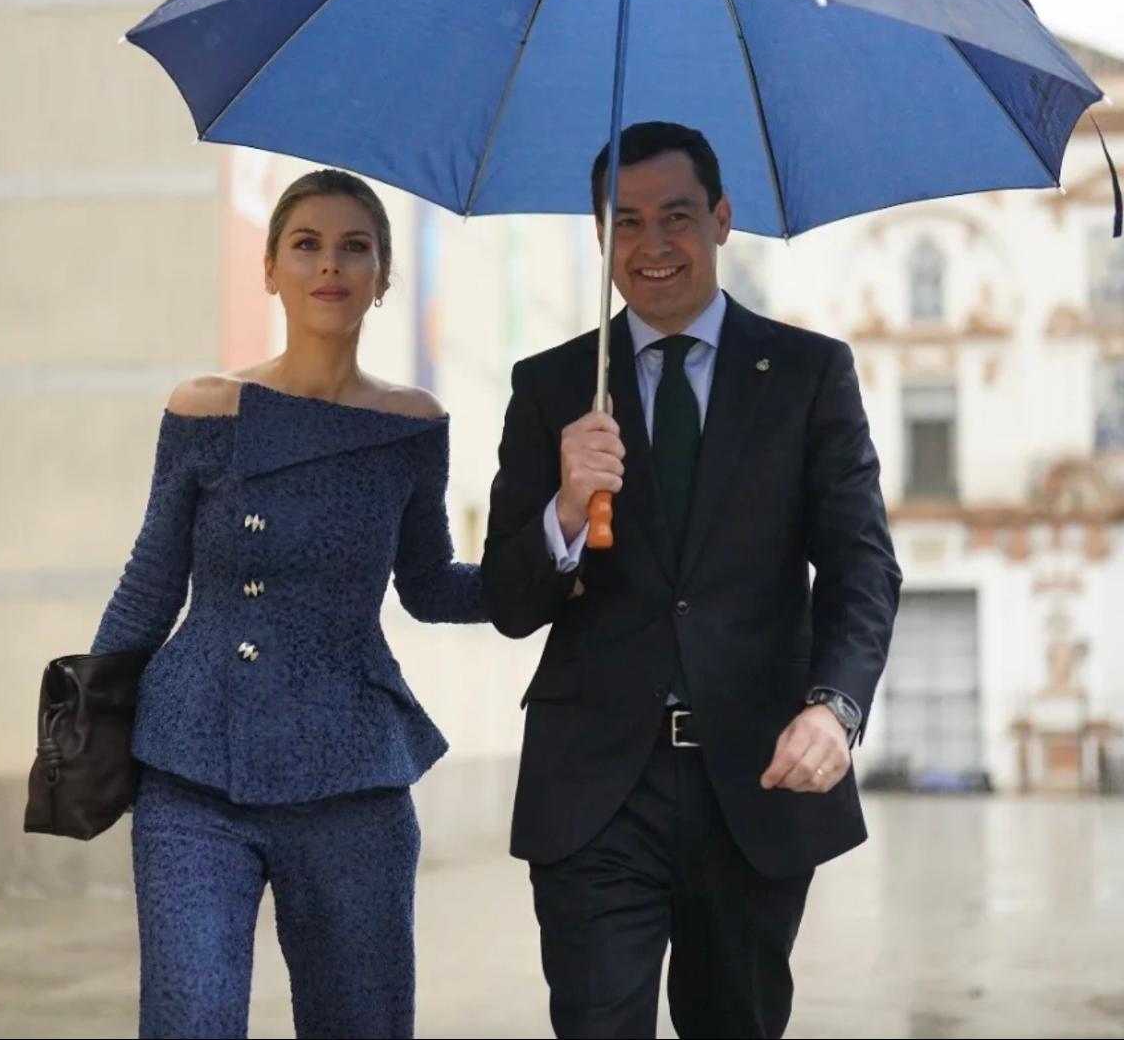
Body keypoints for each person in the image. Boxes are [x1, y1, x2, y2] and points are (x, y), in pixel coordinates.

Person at [483, 122, 902, 1039]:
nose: (652, 245)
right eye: (625, 222)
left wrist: (835, 707)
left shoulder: (807, 373)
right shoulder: (552, 386)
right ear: (600, 238)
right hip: (594, 792)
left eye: (676, 216)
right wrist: (563, 507)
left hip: (754, 780)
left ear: (721, 219)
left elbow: (862, 563)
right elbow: (509, 604)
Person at [91, 168, 485, 1039]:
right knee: (189, 1020)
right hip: (193, 768)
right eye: (306, 245)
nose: (329, 266)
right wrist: (82, 725)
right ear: (269, 268)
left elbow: (430, 587)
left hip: (351, 772)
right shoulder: (202, 409)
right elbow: (149, 587)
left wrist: (557, 548)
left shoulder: (412, 427)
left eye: (355, 247)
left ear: (385, 278)